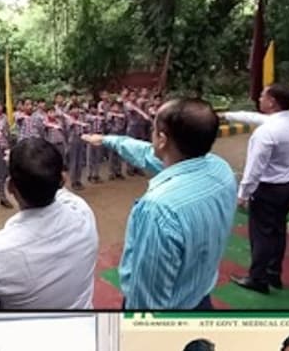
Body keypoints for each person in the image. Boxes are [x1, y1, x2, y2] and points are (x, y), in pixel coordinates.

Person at [82, 98, 235, 309]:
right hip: (200, 296)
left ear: (162, 139)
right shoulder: (221, 170)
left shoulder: (158, 209)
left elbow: (147, 301)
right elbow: (146, 154)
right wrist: (109, 140)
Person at [0, 138, 99, 310]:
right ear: (62, 180)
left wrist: (22, 167)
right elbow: (61, 190)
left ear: (10, 187)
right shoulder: (83, 214)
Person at [229, 83, 289, 295]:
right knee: (277, 230)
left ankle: (258, 278)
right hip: (288, 186)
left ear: (272, 102)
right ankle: (274, 273)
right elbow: (253, 117)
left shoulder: (266, 132)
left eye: (263, 95)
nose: (259, 98)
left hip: (268, 189)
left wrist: (243, 194)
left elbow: (254, 168)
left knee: (261, 235)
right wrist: (227, 115)